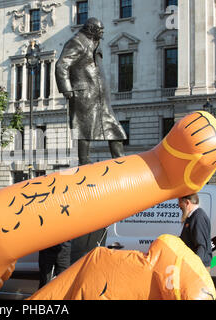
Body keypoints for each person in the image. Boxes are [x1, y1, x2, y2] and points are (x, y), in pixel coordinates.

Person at [55, 18, 125, 264]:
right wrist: (67, 90)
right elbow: (61, 65)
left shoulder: (95, 45)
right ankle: (84, 164)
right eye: (100, 28)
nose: (103, 31)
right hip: (84, 95)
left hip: (100, 98)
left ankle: (120, 161)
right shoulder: (76, 42)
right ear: (92, 28)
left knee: (113, 129)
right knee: (84, 131)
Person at [178, 193, 212, 270]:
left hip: (198, 267)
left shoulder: (198, 217)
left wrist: (195, 266)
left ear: (187, 203)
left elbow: (201, 245)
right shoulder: (192, 217)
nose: (179, 206)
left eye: (180, 202)